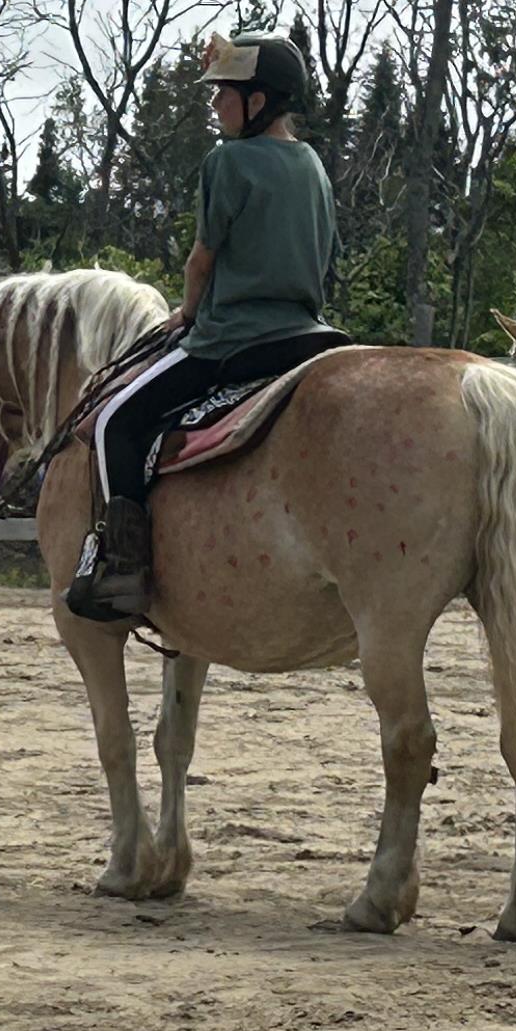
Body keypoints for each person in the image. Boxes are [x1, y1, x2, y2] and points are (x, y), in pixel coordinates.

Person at [65, 32, 349, 625]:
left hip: (233, 340)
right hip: (310, 336)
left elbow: (201, 260)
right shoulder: (314, 165)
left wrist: (188, 314)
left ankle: (122, 567)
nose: (216, 103)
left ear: (260, 99)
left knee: (117, 418)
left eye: (226, 92)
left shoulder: (228, 161)